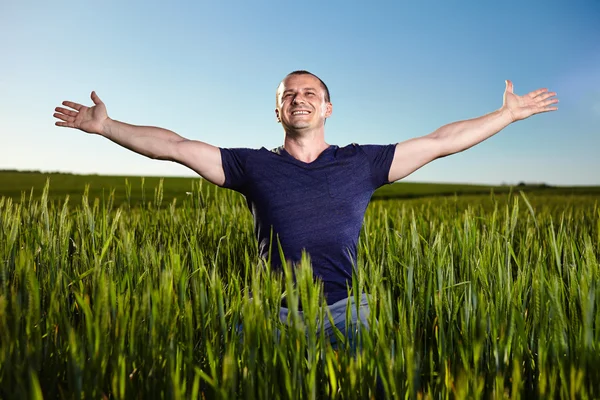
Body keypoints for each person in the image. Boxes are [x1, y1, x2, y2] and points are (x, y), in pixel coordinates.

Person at [53, 70, 558, 348]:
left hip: (346, 315)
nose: (299, 99)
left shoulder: (363, 163)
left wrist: (505, 115)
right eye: (288, 94)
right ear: (277, 111)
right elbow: (176, 145)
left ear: (328, 108)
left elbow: (440, 141)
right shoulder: (250, 166)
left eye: (310, 93)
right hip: (267, 315)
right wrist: (108, 127)